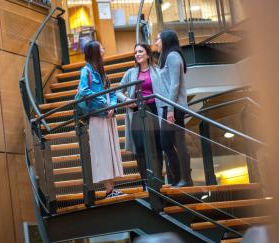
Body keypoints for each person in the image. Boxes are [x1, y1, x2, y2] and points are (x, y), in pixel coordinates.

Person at [76, 40, 125, 198]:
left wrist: (112, 106)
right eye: (101, 47)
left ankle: (111, 189)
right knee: (103, 153)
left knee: (110, 152)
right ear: (95, 51)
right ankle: (109, 190)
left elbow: (111, 92)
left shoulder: (102, 71)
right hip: (97, 117)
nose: (104, 49)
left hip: (108, 116)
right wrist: (105, 104)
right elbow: (83, 91)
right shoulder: (86, 71)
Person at [116, 43, 163, 191]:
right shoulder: (130, 72)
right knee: (140, 148)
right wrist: (126, 100)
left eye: (140, 51)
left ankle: (158, 180)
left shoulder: (156, 70)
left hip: (154, 111)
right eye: (135, 52)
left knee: (156, 146)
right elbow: (118, 91)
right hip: (136, 112)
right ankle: (145, 183)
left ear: (148, 54)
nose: (137, 54)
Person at [155, 30, 193, 187]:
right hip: (169, 106)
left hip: (173, 107)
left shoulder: (172, 56)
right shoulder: (168, 57)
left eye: (158, 39)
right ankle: (180, 178)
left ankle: (184, 178)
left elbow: (174, 85)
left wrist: (170, 109)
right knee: (170, 143)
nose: (156, 42)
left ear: (166, 40)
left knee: (174, 142)